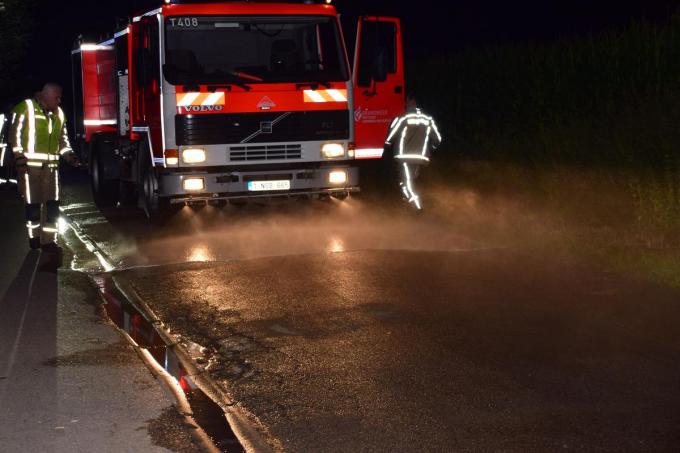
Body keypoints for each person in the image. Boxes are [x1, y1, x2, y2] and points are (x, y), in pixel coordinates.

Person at [9, 83, 80, 256]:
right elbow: (14, 136)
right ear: (45, 95)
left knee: (52, 206)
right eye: (56, 97)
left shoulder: (60, 114)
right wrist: (19, 157)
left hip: (52, 170)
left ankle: (49, 241)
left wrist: (70, 156)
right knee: (33, 206)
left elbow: (63, 142)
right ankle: (34, 238)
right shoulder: (25, 108)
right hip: (29, 168)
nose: (59, 100)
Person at [384, 97, 442, 210]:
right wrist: (433, 148)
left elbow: (391, 135)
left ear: (407, 104)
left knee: (406, 182)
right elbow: (438, 139)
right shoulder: (428, 119)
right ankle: (409, 203)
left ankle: (417, 207)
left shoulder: (402, 118)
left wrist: (386, 145)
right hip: (421, 157)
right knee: (409, 180)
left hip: (404, 156)